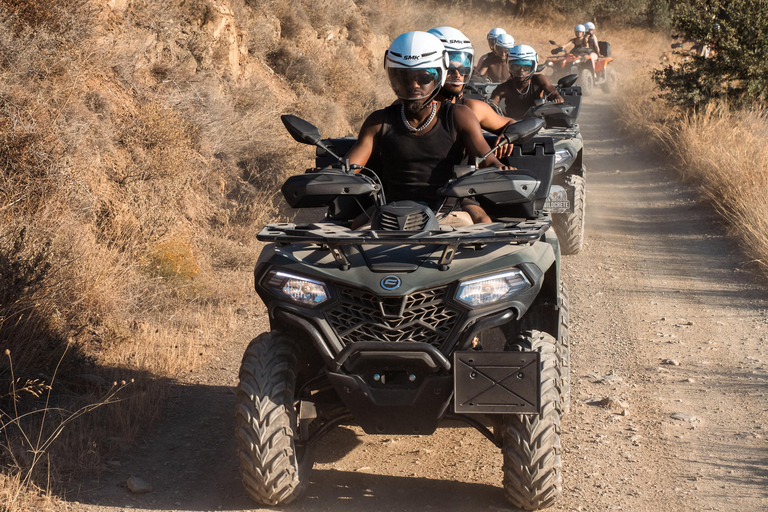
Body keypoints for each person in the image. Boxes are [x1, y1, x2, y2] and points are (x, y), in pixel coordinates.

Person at [346, 31, 511, 225]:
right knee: (343, 238)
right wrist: (330, 174)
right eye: (404, 77)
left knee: (484, 236)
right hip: (390, 213)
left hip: (447, 212)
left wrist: (502, 169)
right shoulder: (379, 120)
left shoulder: (460, 115)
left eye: (424, 77)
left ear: (438, 76)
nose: (413, 85)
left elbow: (486, 159)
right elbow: (349, 167)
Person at [427, 26, 517, 158]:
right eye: (450, 69)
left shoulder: (472, 108)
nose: (458, 75)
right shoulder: (407, 109)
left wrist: (508, 136)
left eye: (463, 69)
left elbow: (511, 124)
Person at [490, 44, 564, 120]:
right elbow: (491, 106)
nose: (521, 70)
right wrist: (490, 106)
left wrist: (557, 99)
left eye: (526, 67)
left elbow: (554, 94)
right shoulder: (503, 88)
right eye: (516, 66)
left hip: (539, 125)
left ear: (532, 67)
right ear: (510, 66)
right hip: (511, 126)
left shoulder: (539, 80)